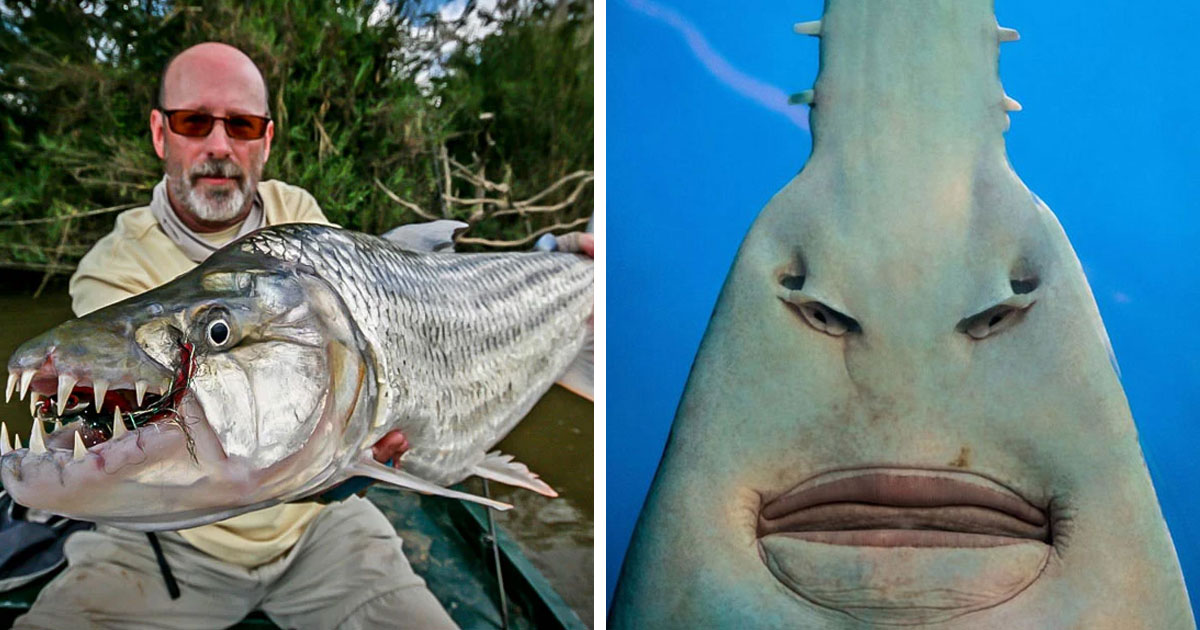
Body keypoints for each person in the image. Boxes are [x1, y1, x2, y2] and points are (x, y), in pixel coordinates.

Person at [14, 41, 591, 630]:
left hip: (322, 531)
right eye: (194, 122)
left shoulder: (299, 213)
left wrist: (555, 255)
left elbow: (429, 290)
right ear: (161, 135)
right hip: (170, 545)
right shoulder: (113, 264)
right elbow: (155, 426)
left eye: (241, 124)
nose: (219, 145)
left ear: (265, 140)